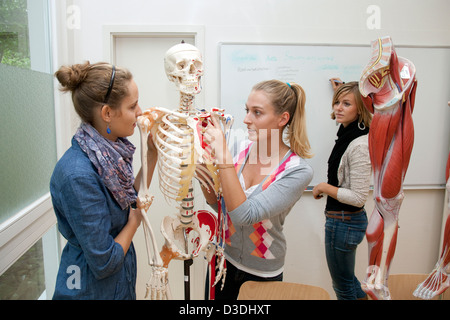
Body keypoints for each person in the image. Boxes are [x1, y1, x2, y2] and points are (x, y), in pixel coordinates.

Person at [50, 62, 157, 299]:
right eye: (132, 106)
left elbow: (129, 199)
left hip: (119, 281)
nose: (140, 112)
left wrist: (152, 154)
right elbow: (105, 262)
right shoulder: (78, 176)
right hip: (89, 288)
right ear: (107, 113)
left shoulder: (109, 155)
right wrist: (135, 221)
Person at [202, 79, 313, 299]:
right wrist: (202, 173)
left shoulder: (297, 170)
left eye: (257, 112)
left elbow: (244, 215)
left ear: (283, 119)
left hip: (261, 273)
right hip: (222, 260)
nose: (246, 119)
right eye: (247, 110)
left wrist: (222, 155)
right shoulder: (239, 149)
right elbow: (220, 206)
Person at [312, 80, 372, 300]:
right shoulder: (349, 131)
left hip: (345, 222)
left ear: (361, 108)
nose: (338, 107)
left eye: (346, 104)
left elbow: (357, 197)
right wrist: (342, 91)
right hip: (343, 221)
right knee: (349, 281)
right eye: (336, 102)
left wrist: (324, 187)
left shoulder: (360, 145)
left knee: (343, 286)